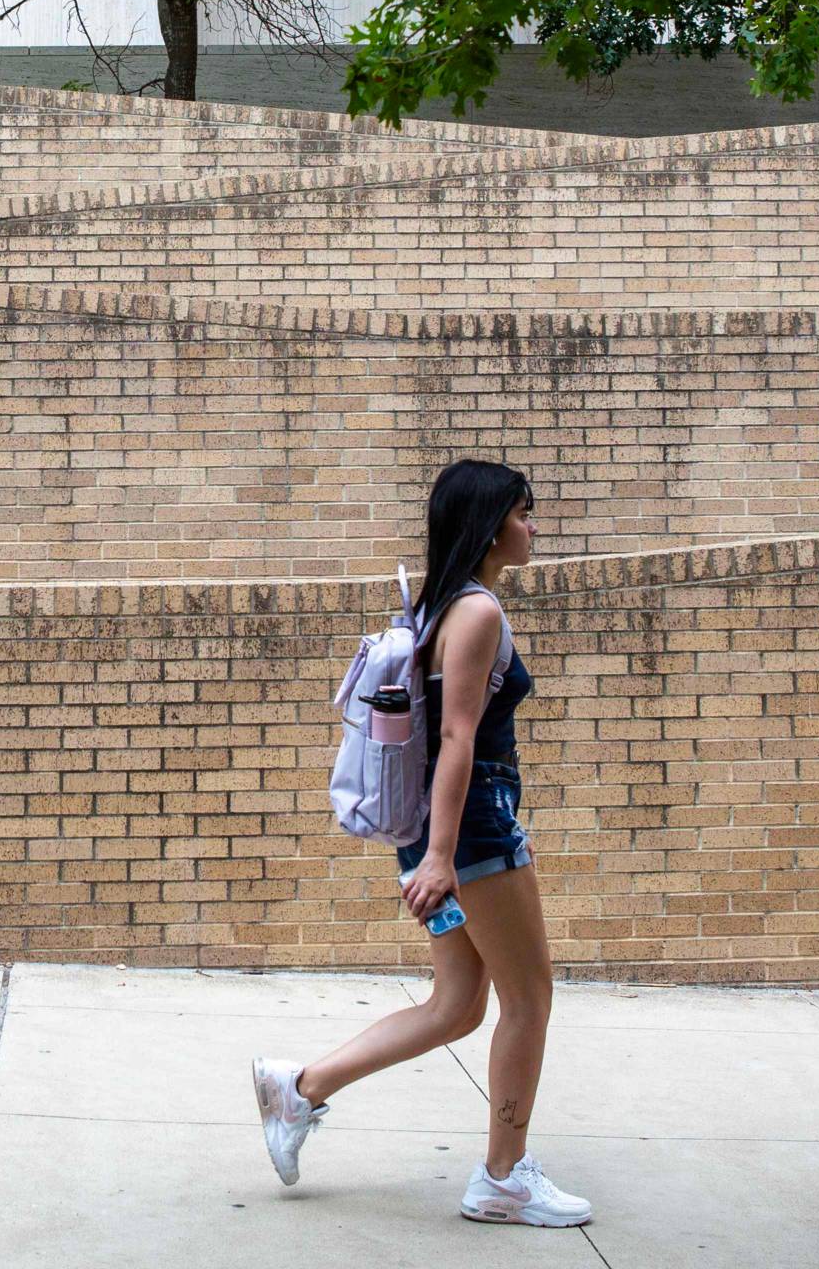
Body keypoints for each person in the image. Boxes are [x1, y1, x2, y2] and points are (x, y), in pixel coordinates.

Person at [251, 459, 589, 1227]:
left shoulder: (436, 609)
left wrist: (428, 852)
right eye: (524, 513)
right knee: (529, 1000)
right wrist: (442, 857)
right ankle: (503, 1179)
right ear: (490, 523)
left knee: (458, 1003)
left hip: (433, 834)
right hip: (471, 833)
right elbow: (461, 740)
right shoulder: (477, 614)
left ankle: (299, 1089)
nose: (534, 527)